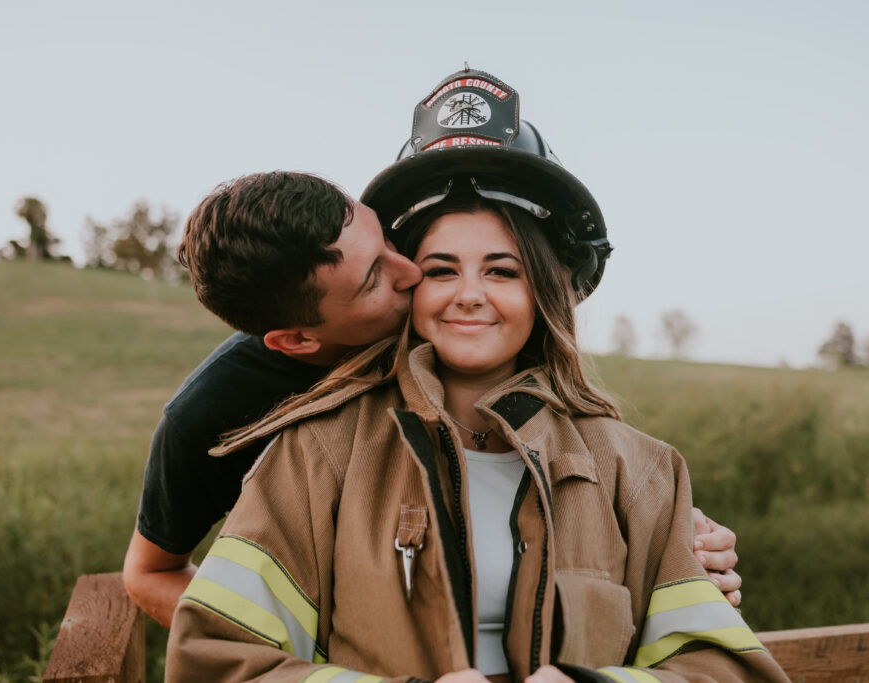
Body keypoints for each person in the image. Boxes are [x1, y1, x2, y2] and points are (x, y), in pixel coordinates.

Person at [165, 69, 786, 682]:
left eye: (501, 271)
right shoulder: (311, 458)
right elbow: (215, 661)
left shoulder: (641, 471)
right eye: (439, 269)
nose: (468, 294)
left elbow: (726, 668)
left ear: (544, 291)